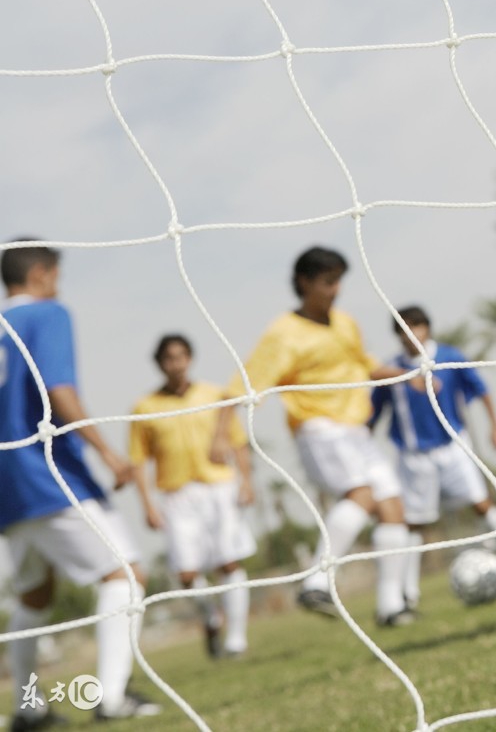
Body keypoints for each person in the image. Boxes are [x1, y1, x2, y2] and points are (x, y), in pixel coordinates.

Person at [1, 239, 161, 727]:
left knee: (35, 597)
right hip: (47, 475)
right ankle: (111, 697)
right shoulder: (46, 314)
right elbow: (59, 390)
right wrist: (109, 453)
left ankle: (28, 710)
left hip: (6, 489)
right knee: (126, 577)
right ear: (43, 274)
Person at [213, 246, 415, 627]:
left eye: (339, 281)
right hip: (319, 429)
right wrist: (221, 433)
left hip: (356, 430)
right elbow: (242, 384)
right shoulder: (283, 335)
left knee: (393, 508)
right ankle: (316, 579)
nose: (335, 290)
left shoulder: (345, 323)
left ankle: (391, 607)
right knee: (364, 495)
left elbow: (365, 364)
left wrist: (406, 376)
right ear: (304, 283)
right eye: (327, 282)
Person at [370, 305, 496, 608]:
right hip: (413, 456)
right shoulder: (391, 370)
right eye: (403, 330)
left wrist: (495, 426)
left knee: (481, 503)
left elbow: (481, 389)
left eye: (415, 327)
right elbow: (375, 411)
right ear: (398, 336)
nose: (411, 335)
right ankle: (409, 592)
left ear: (427, 328)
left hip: (452, 446)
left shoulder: (449, 357)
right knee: (413, 524)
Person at [130, 333, 256, 658]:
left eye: (181, 356)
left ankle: (236, 640)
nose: (176, 364)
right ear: (160, 364)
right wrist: (146, 505)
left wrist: (246, 481)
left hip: (218, 485)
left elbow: (238, 441)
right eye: (169, 358)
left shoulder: (215, 395)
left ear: (190, 358)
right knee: (187, 573)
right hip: (176, 493)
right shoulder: (145, 408)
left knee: (229, 561)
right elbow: (138, 461)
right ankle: (211, 615)